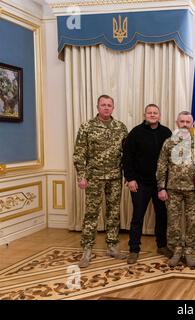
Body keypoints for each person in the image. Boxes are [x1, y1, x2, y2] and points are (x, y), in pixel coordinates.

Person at [73, 94, 129, 268]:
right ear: (97, 107)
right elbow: (79, 153)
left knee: (113, 213)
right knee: (91, 214)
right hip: (94, 177)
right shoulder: (87, 127)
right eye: (103, 105)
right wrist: (81, 176)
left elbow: (126, 155)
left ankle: (112, 246)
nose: (106, 107)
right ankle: (87, 249)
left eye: (109, 105)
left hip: (114, 177)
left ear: (113, 108)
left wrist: (128, 175)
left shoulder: (120, 128)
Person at [122, 104, 173, 264]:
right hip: (140, 183)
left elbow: (171, 160)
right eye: (149, 112)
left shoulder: (167, 133)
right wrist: (130, 179)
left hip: (160, 184)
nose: (152, 115)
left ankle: (162, 245)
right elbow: (127, 158)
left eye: (155, 112)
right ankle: (134, 249)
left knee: (162, 215)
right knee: (137, 216)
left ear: (159, 115)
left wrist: (166, 183)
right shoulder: (135, 133)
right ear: (145, 115)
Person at [156, 111, 195, 268]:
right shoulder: (169, 142)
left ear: (192, 124)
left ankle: (189, 250)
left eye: (188, 122)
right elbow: (161, 165)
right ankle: (177, 250)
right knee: (173, 222)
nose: (185, 124)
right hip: (173, 189)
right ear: (177, 123)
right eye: (182, 121)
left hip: (193, 189)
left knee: (192, 221)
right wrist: (161, 187)